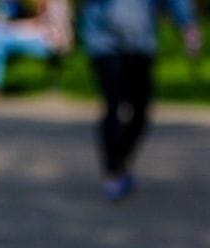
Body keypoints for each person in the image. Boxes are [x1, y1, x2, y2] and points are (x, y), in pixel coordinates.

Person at [81, 0, 202, 201]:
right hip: (104, 42)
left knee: (141, 110)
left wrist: (188, 25)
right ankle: (113, 172)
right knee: (113, 105)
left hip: (141, 43)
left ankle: (121, 162)